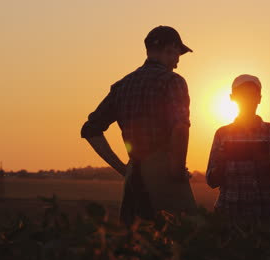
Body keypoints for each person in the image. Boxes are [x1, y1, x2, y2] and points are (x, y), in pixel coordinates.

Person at [81, 26, 197, 225]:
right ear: (169, 49)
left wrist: (124, 170)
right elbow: (180, 127)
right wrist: (177, 172)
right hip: (165, 174)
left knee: (136, 245)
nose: (177, 62)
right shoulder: (173, 81)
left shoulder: (122, 85)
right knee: (183, 240)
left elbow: (90, 130)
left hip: (134, 177)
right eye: (178, 54)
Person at [206, 74, 270, 223]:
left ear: (259, 98)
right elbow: (212, 181)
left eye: (252, 94)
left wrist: (268, 165)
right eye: (242, 94)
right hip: (229, 213)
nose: (248, 99)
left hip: (268, 214)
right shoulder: (222, 134)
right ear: (233, 98)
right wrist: (220, 164)